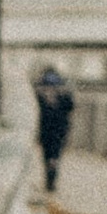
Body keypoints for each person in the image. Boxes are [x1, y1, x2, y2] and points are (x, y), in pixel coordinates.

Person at [32, 62, 74, 196]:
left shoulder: (40, 91)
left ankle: (48, 179)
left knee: (46, 154)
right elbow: (71, 107)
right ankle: (52, 177)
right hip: (60, 128)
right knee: (55, 154)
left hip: (45, 128)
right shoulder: (63, 90)